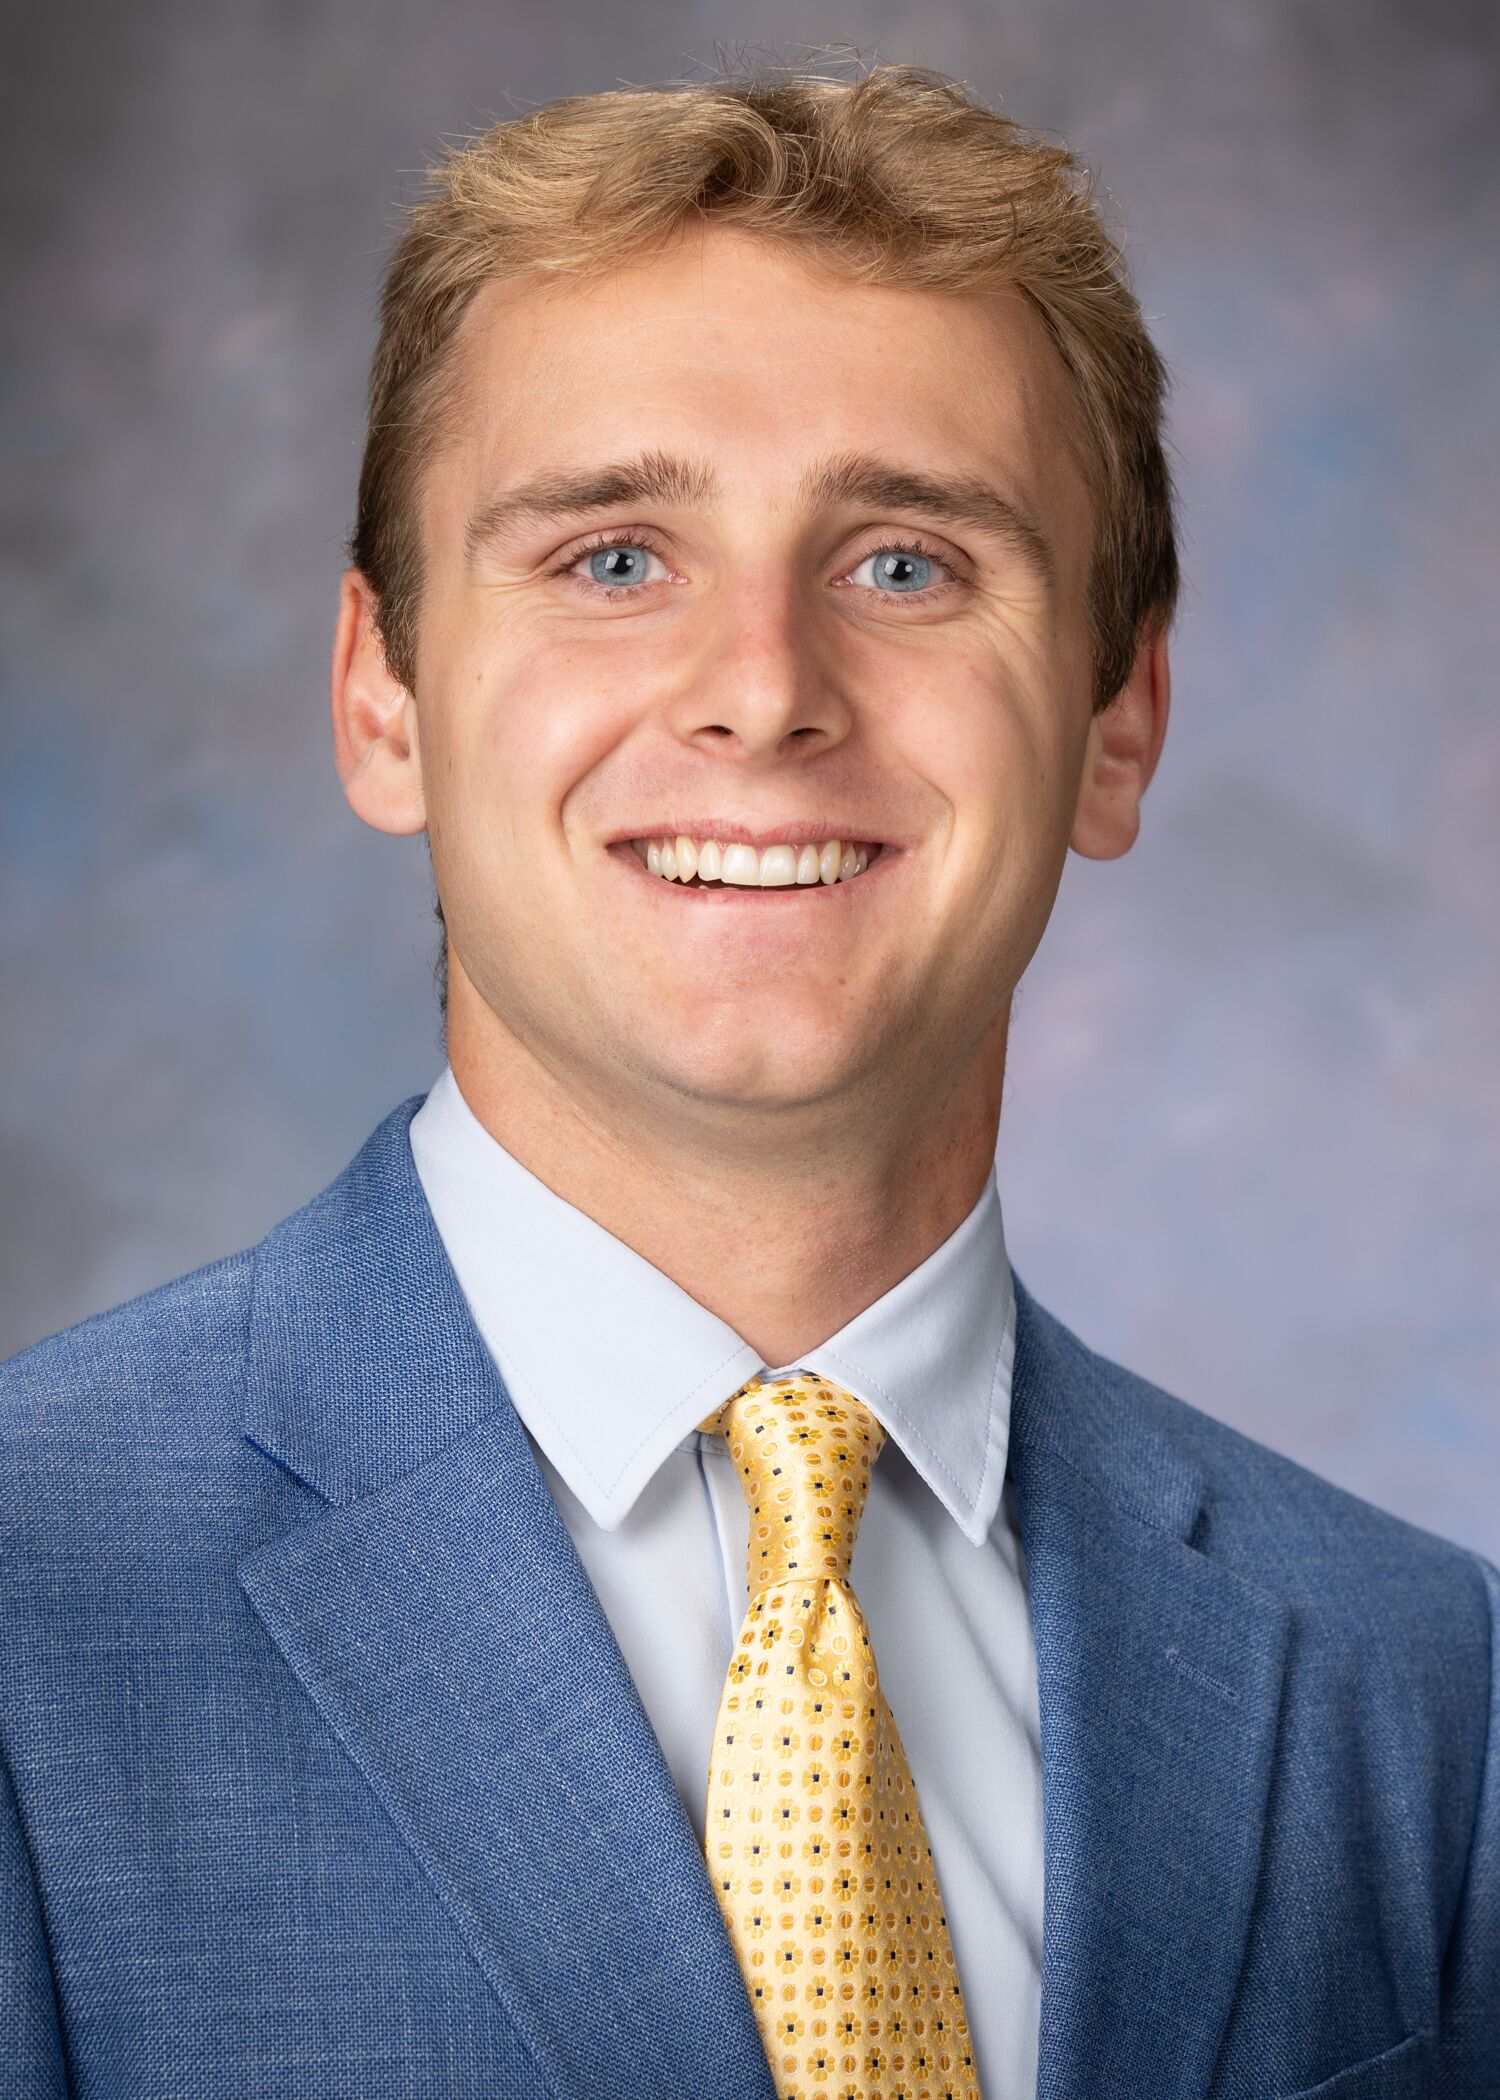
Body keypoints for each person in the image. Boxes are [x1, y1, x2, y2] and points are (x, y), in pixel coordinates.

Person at [0, 57, 1494, 2100]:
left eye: (908, 562)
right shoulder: (29, 1600)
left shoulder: (1427, 1692)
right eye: (615, 556)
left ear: (1119, 716)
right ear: (382, 698)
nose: (767, 690)